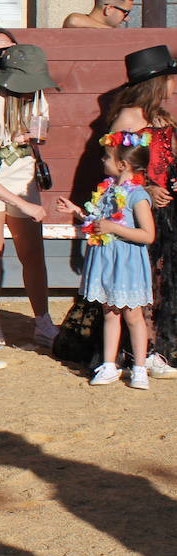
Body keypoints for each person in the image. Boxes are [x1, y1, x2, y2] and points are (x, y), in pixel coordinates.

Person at [0, 44, 60, 353]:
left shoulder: (28, 95)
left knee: (32, 251)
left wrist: (30, 139)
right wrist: (23, 204)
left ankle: (42, 320)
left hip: (18, 169)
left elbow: (39, 128)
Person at [56, 135, 155, 389]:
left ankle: (140, 368)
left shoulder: (137, 196)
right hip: (107, 261)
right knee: (110, 313)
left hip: (127, 264)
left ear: (122, 164)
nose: (102, 160)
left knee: (133, 316)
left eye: (107, 157)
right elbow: (96, 223)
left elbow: (148, 234)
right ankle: (109, 365)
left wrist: (114, 227)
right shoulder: (107, 189)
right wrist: (77, 211)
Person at [106, 45, 177, 378]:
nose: (174, 83)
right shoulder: (128, 117)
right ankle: (139, 350)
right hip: (138, 208)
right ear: (156, 82)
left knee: (164, 279)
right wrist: (145, 188)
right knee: (140, 277)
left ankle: (158, 347)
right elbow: (113, 165)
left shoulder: (162, 116)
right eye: (170, 77)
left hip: (168, 210)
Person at [62, 0, 136, 29]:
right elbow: (73, 20)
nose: (126, 18)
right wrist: (109, 30)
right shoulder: (79, 25)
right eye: (125, 13)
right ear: (109, 9)